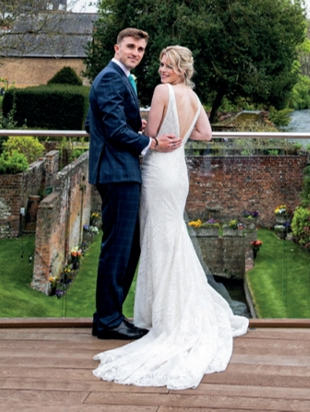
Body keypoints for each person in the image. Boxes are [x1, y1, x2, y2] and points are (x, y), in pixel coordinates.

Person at [93, 45, 249, 389]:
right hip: (178, 174)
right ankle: (171, 312)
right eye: (161, 64)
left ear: (181, 68)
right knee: (170, 236)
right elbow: (204, 134)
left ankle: (160, 318)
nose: (162, 70)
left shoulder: (162, 92)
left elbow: (149, 137)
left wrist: (152, 129)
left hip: (158, 170)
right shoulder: (192, 96)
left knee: (158, 239)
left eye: (168, 65)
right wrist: (179, 134)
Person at [87, 28, 182, 341]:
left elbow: (94, 123)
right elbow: (112, 130)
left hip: (120, 171)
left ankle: (111, 315)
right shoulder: (113, 77)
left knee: (128, 246)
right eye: (131, 47)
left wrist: (132, 124)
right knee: (118, 248)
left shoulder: (120, 78)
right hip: (117, 174)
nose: (136, 53)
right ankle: (108, 320)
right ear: (117, 47)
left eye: (141, 49)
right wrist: (151, 142)